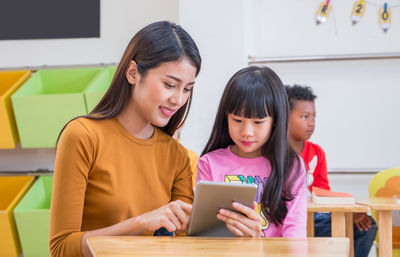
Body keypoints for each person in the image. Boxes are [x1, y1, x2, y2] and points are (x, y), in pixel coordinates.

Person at [49, 21, 201, 257]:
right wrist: (140, 223)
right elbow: (61, 248)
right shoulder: (83, 136)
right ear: (133, 73)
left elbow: (182, 247)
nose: (178, 99)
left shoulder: (176, 155)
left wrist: (235, 231)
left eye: (187, 89)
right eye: (170, 84)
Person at [197, 66, 307, 237]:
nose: (246, 132)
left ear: (275, 121)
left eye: (258, 122)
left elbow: (295, 234)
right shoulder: (209, 163)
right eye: (237, 120)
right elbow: (204, 233)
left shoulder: (291, 165)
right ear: (226, 117)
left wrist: (258, 242)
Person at [285, 84, 377, 257]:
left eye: (314, 117)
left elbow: (322, 193)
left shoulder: (317, 152)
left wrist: (349, 213)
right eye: (305, 117)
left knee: (367, 224)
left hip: (315, 217)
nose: (311, 123)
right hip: (288, 218)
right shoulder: (275, 152)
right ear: (284, 117)